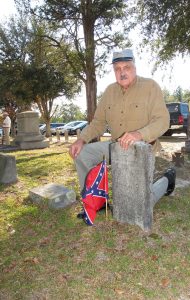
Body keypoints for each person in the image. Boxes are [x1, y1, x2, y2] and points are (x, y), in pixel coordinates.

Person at [69, 49, 176, 222]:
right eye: (117, 68)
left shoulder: (150, 87)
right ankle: (96, 202)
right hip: (115, 146)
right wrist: (81, 139)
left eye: (126, 67)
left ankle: (167, 180)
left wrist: (140, 134)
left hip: (142, 149)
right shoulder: (109, 91)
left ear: (134, 67)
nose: (122, 72)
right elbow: (98, 122)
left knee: (139, 205)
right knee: (82, 154)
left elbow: (163, 121)